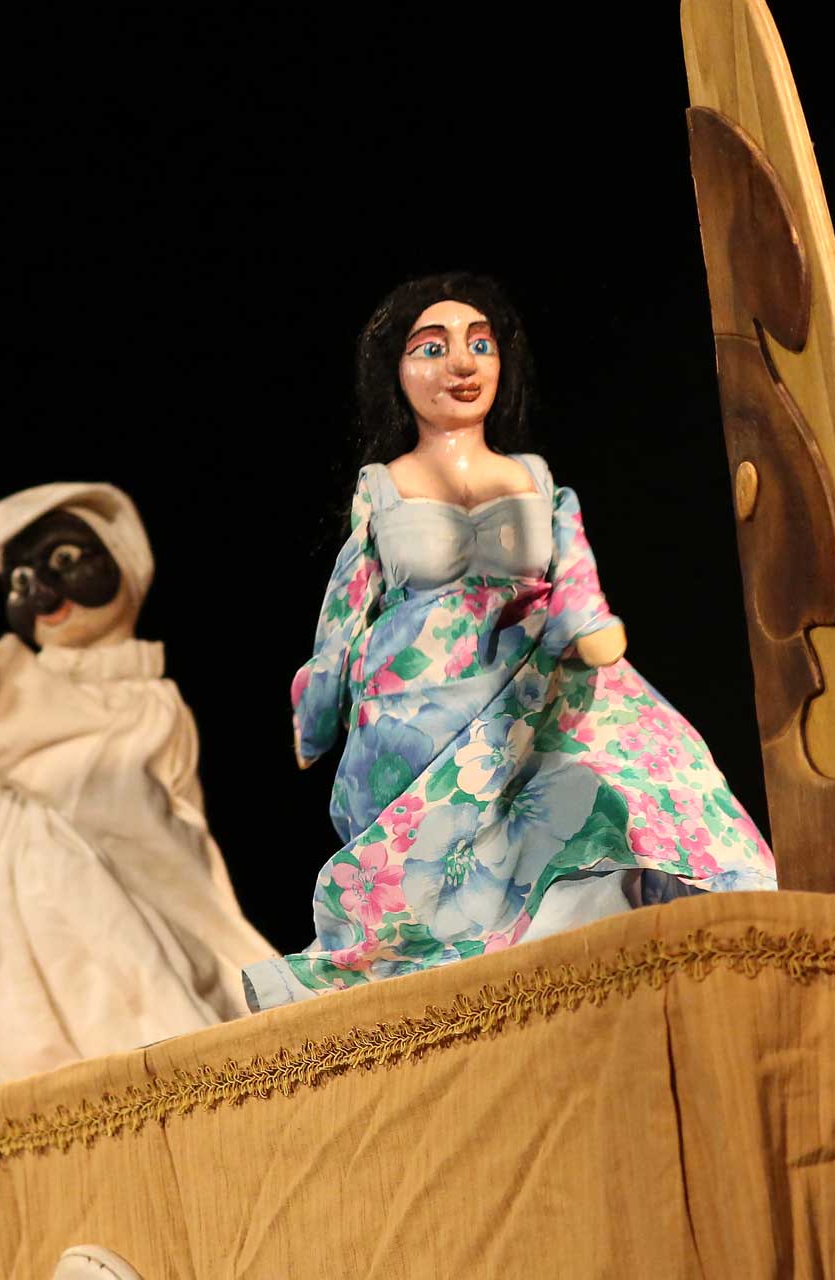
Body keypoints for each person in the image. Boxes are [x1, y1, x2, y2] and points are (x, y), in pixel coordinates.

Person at [242, 272, 776, 1011]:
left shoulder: (533, 478)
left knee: (623, 778)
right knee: (447, 870)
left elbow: (573, 571)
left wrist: (587, 627)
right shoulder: (384, 486)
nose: (462, 364)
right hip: (420, 702)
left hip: (534, 674)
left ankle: (621, 936)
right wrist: (319, 704)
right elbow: (348, 599)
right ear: (396, 371)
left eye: (481, 344)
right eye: (433, 348)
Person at [0, 482, 275, 1079]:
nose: (40, 590)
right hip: (29, 931)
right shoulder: (25, 693)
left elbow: (101, 783)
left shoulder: (146, 704)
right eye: (19, 581)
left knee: (151, 1042)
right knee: (44, 1066)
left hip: (125, 916)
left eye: (63, 561)